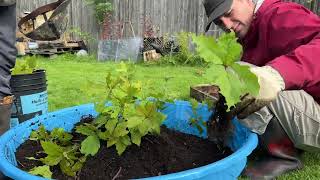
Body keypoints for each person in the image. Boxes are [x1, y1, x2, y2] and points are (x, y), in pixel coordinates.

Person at [203, 0, 320, 179]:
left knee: (244, 76)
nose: (226, 25)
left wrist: (276, 74)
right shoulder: (250, 33)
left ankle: (285, 157)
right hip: (311, 109)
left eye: (228, 13)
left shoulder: (280, 15)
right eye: (219, 22)